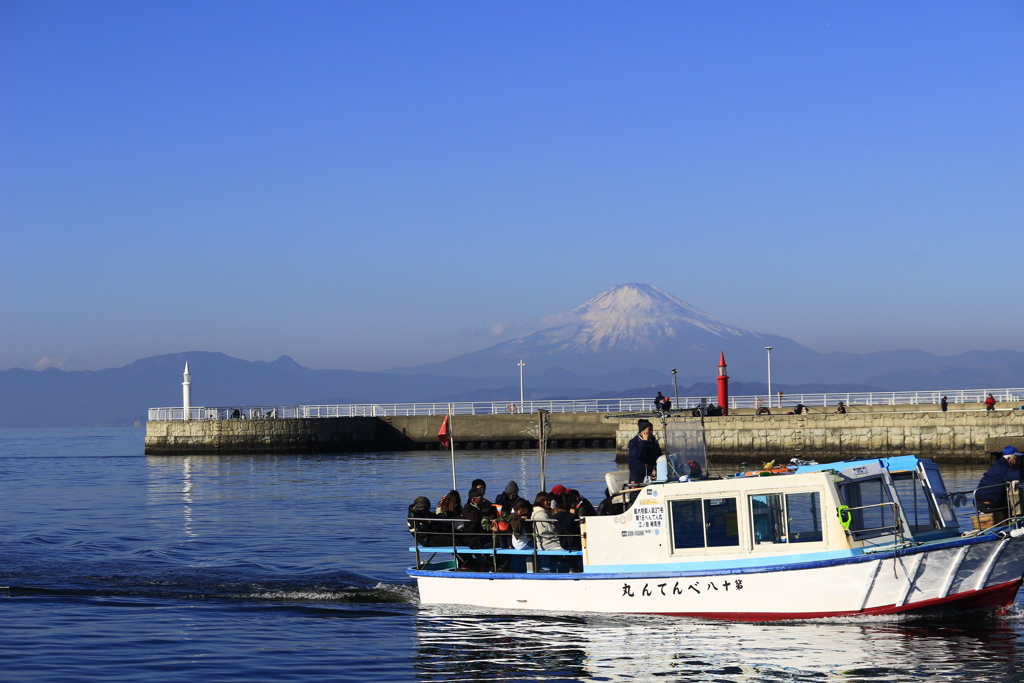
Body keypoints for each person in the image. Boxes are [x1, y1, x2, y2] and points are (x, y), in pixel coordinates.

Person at [975, 447, 1022, 522]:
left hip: (982, 497)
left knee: (1008, 508)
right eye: (1016, 457)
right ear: (1010, 458)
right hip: (989, 501)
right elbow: (1018, 476)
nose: (1017, 459)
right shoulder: (1004, 468)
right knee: (1010, 511)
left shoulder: (999, 464)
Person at [627, 419, 661, 487]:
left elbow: (657, 455)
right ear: (642, 432)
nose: (651, 432)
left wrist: (656, 468)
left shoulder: (653, 441)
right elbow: (637, 454)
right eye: (649, 429)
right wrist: (644, 442)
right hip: (637, 473)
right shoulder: (633, 442)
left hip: (649, 473)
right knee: (635, 494)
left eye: (652, 429)